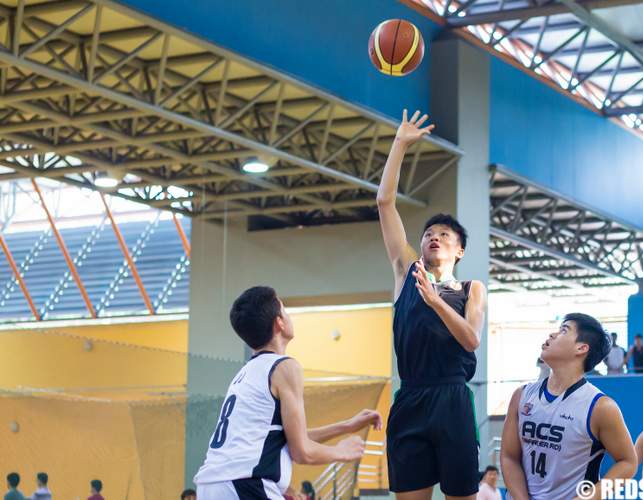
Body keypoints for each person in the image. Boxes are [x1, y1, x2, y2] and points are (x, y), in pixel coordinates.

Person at [377, 109, 488, 499]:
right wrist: (400, 143)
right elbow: (385, 202)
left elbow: (471, 340)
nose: (433, 238)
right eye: (427, 234)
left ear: (459, 250)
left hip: (452, 397)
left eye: (443, 234)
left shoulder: (472, 289)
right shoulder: (406, 273)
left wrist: (437, 302)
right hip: (410, 396)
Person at [193, 286, 382, 500]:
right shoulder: (285, 367)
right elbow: (301, 451)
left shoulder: (246, 373)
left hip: (212, 486)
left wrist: (346, 426)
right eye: (285, 310)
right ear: (279, 322)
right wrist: (342, 451)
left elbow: (286, 439)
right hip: (245, 483)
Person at [501, 313, 638, 500]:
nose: (552, 334)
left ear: (581, 348)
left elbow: (628, 462)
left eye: (563, 330)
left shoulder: (600, 407)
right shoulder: (521, 395)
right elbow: (509, 457)